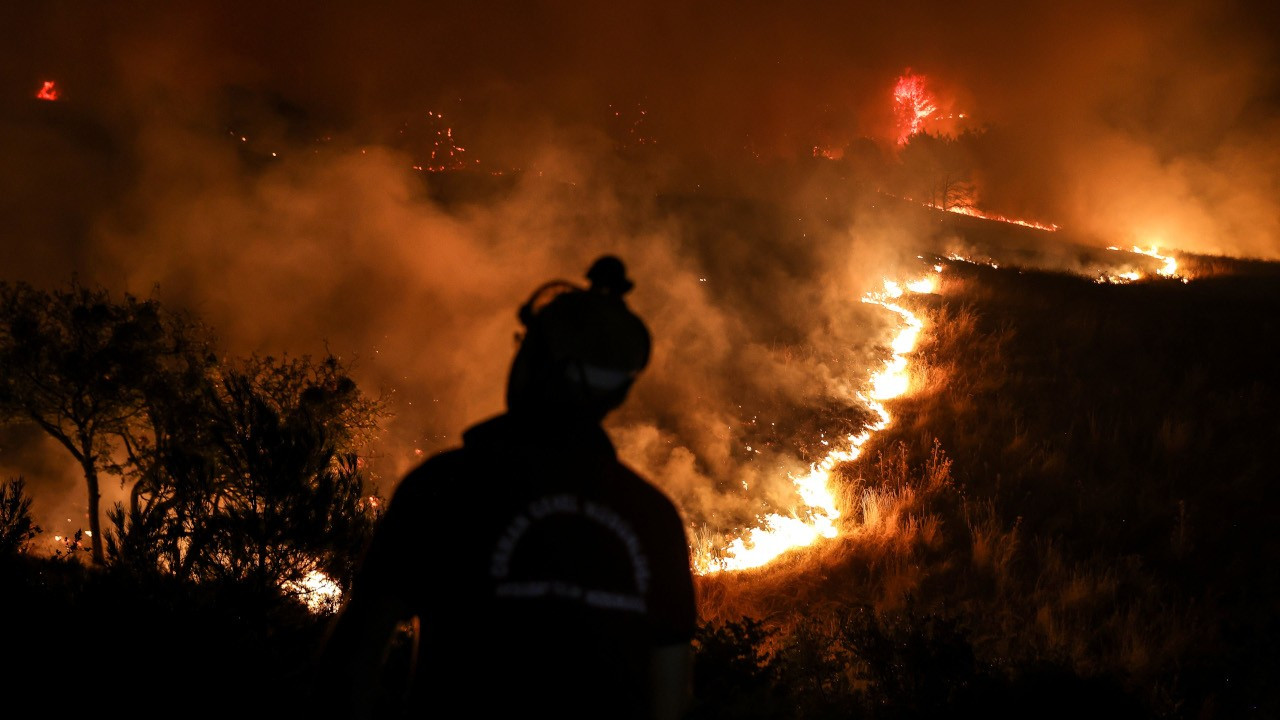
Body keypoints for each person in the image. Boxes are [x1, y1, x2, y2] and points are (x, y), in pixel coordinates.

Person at [319, 256, 698, 720]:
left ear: (534, 363)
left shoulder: (445, 487)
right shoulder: (653, 517)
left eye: (525, 345)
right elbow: (670, 701)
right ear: (618, 395)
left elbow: (349, 669)